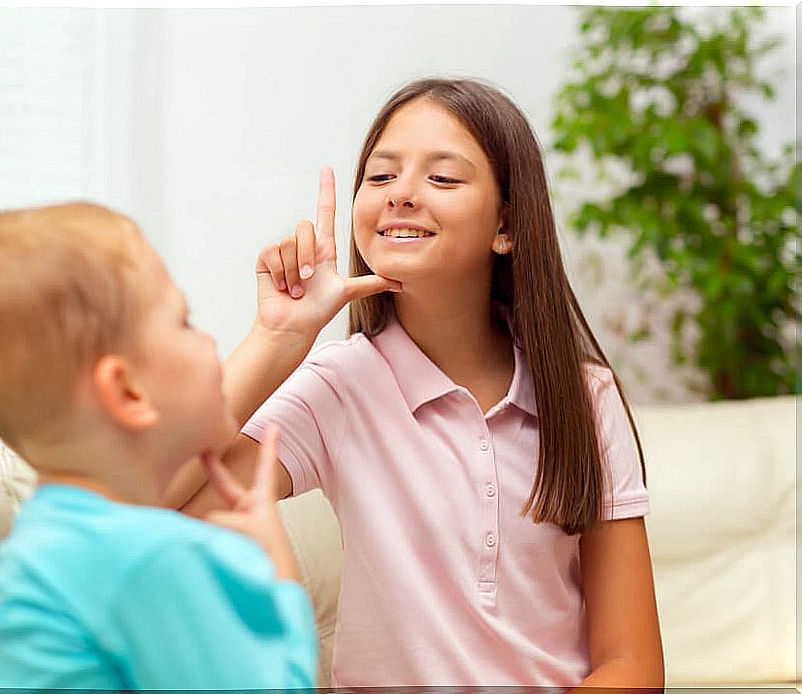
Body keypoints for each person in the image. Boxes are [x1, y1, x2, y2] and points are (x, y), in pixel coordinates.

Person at [177, 78, 664, 686]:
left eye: (443, 178)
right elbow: (161, 500)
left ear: (505, 227)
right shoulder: (341, 385)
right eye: (381, 177)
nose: (402, 194)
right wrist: (276, 338)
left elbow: (633, 664)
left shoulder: (584, 396)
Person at [0, 202, 317, 689]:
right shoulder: (151, 559)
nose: (207, 342)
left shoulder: (42, 548)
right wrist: (278, 575)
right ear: (127, 392)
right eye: (185, 322)